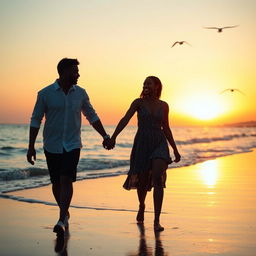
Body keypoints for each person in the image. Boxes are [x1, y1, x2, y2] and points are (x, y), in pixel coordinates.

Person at [27, 58, 111, 236]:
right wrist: (30, 146)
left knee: (66, 178)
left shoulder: (80, 93)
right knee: (56, 182)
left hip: (73, 144)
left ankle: (61, 217)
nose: (78, 74)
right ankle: (65, 212)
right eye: (75, 71)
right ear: (64, 72)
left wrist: (104, 135)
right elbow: (36, 119)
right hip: (52, 144)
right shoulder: (45, 93)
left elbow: (92, 116)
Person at [107, 76, 181, 231]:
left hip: (159, 142)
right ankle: (141, 205)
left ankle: (156, 221)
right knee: (141, 181)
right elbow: (125, 119)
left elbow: (166, 127)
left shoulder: (164, 105)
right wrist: (113, 137)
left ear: (157, 87)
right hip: (142, 142)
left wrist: (174, 148)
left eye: (149, 83)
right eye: (144, 83)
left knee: (157, 179)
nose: (146, 85)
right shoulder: (138, 103)